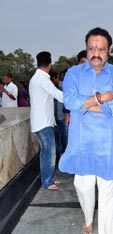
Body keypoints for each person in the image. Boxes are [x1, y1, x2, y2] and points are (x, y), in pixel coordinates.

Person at [59, 27, 113, 234]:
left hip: (108, 145)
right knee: (83, 186)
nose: (95, 53)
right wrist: (101, 98)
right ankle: (88, 217)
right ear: (86, 49)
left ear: (108, 51)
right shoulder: (73, 74)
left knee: (108, 194)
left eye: (101, 48)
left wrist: (86, 104)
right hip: (82, 143)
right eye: (91, 48)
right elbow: (69, 100)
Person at [29, 51, 63, 190]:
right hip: (43, 123)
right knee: (49, 153)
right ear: (49, 65)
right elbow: (58, 95)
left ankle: (47, 178)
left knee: (46, 152)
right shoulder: (42, 79)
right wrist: (78, 100)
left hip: (42, 122)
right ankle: (47, 182)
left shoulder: (36, 78)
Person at [50, 71, 69, 162]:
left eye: (53, 80)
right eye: (50, 80)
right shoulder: (50, 89)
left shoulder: (65, 87)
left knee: (66, 138)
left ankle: (68, 158)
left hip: (64, 118)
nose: (52, 82)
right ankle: (59, 157)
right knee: (56, 139)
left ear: (57, 78)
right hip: (54, 119)